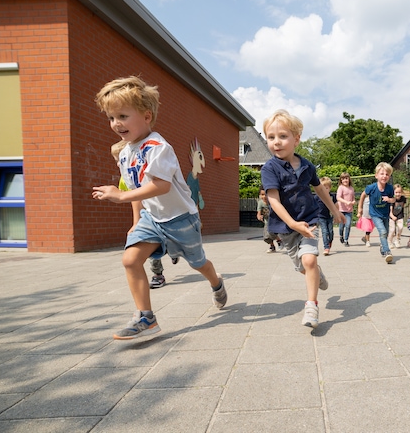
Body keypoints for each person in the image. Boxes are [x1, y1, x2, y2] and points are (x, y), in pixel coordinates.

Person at [93, 76, 227, 340]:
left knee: (198, 263)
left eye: (122, 115)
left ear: (146, 116)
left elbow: (160, 186)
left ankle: (216, 282)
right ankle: (146, 317)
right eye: (111, 117)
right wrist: (135, 220)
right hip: (151, 218)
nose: (116, 123)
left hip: (181, 219)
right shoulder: (124, 153)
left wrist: (119, 196)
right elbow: (135, 191)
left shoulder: (158, 147)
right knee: (130, 259)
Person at [260, 109, 345, 329]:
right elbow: (274, 201)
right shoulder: (269, 168)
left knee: (309, 260)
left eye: (282, 136)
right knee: (302, 267)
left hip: (309, 220)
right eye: (271, 137)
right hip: (285, 227)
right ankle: (317, 275)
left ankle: (312, 306)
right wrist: (291, 223)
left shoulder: (307, 165)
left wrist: (335, 211)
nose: (276, 142)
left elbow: (320, 189)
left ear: (296, 139)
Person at [111, 140, 169, 289]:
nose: (118, 164)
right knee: (145, 244)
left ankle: (171, 249)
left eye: (120, 159)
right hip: (146, 217)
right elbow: (133, 201)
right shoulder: (125, 179)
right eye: (117, 161)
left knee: (169, 241)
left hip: (159, 213)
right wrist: (136, 222)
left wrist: (136, 223)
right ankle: (158, 274)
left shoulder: (144, 172)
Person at [357, 162, 395, 264]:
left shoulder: (390, 188)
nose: (384, 176)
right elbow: (362, 195)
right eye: (382, 174)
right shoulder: (371, 187)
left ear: (389, 176)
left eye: (387, 174)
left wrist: (389, 199)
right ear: (376, 175)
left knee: (385, 233)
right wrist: (360, 208)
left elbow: (394, 200)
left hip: (385, 214)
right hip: (374, 214)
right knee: (382, 232)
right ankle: (387, 252)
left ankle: (383, 248)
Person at [314, 176, 336, 255]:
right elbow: (313, 206)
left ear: (329, 188)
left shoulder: (332, 196)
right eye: (323, 188)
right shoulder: (317, 197)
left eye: (326, 188)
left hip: (329, 216)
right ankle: (326, 247)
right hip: (321, 217)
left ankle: (329, 242)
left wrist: (337, 214)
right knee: (324, 231)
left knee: (330, 232)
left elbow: (336, 205)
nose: (324, 190)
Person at [257, 187, 282, 253]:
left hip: (274, 221)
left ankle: (279, 241)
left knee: (272, 234)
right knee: (266, 237)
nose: (264, 196)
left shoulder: (272, 202)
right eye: (262, 195)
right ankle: (272, 246)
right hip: (267, 222)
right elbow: (258, 212)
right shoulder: (260, 203)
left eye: (266, 194)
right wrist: (259, 216)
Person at [336, 172, 355, 247]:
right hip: (341, 210)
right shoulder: (341, 187)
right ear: (341, 180)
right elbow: (338, 198)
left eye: (346, 178)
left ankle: (346, 240)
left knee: (348, 225)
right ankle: (341, 236)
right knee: (341, 226)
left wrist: (353, 202)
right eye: (343, 179)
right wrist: (346, 202)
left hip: (349, 211)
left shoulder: (351, 188)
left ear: (349, 179)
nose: (345, 180)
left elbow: (353, 198)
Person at [388, 184, 406, 249]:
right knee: (392, 230)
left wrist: (400, 215)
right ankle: (389, 242)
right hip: (392, 215)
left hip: (399, 215)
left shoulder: (403, 199)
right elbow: (390, 210)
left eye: (399, 192)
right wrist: (392, 216)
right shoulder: (392, 199)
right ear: (393, 192)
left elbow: (402, 206)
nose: (398, 194)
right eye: (396, 192)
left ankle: (397, 240)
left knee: (400, 227)